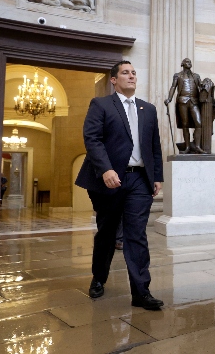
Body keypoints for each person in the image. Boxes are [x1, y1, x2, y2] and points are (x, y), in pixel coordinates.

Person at [75, 60, 164, 310]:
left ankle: (141, 291)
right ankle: (98, 278)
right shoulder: (101, 104)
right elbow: (92, 139)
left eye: (134, 73)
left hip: (139, 179)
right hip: (110, 179)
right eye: (125, 73)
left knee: (137, 235)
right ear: (113, 80)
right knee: (107, 232)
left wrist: (157, 176)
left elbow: (154, 145)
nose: (131, 76)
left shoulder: (148, 109)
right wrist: (105, 169)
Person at [165, 58, 205, 154]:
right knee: (185, 124)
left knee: (198, 123)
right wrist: (169, 99)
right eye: (187, 62)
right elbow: (173, 87)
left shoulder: (196, 76)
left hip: (194, 102)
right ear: (182, 64)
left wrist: (206, 85)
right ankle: (187, 147)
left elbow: (201, 86)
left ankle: (197, 146)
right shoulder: (178, 75)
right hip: (182, 101)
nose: (189, 63)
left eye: (190, 62)